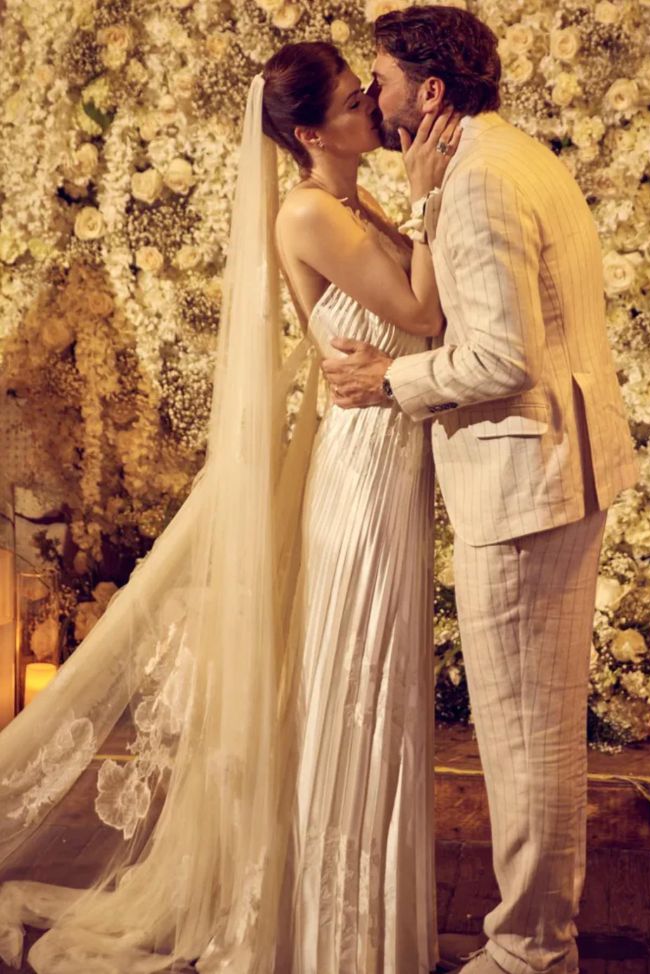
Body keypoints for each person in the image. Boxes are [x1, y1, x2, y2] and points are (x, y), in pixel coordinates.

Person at [0, 41, 459, 974]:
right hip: (361, 473)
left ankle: (366, 929)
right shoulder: (309, 212)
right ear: (309, 133)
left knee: (378, 691)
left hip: (388, 459)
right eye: (353, 100)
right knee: (357, 689)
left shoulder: (353, 204)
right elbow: (422, 316)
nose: (372, 106)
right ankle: (338, 941)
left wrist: (417, 204)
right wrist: (432, 198)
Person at [322, 7, 637, 974]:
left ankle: (531, 949)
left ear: (430, 92)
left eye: (380, 80)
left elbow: (502, 355)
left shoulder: (482, 180)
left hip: (525, 484)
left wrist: (390, 380)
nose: (370, 96)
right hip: (555, 470)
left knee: (525, 735)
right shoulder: (515, 156)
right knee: (538, 728)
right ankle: (539, 938)